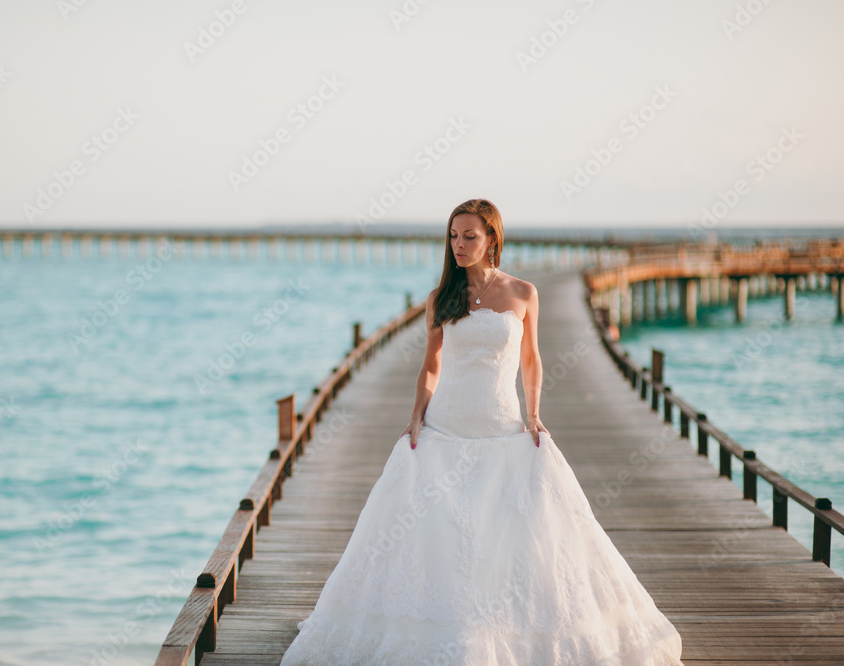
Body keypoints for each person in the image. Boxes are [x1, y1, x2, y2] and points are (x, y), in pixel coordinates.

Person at [281, 199, 684, 665]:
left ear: (491, 238)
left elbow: (531, 360)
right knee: (436, 535)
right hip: (444, 428)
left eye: (469, 236)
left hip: (502, 428)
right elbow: (430, 366)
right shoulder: (440, 298)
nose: (459, 245)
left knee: (515, 533)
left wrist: (533, 414)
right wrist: (416, 416)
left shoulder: (523, 293)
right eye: (453, 236)